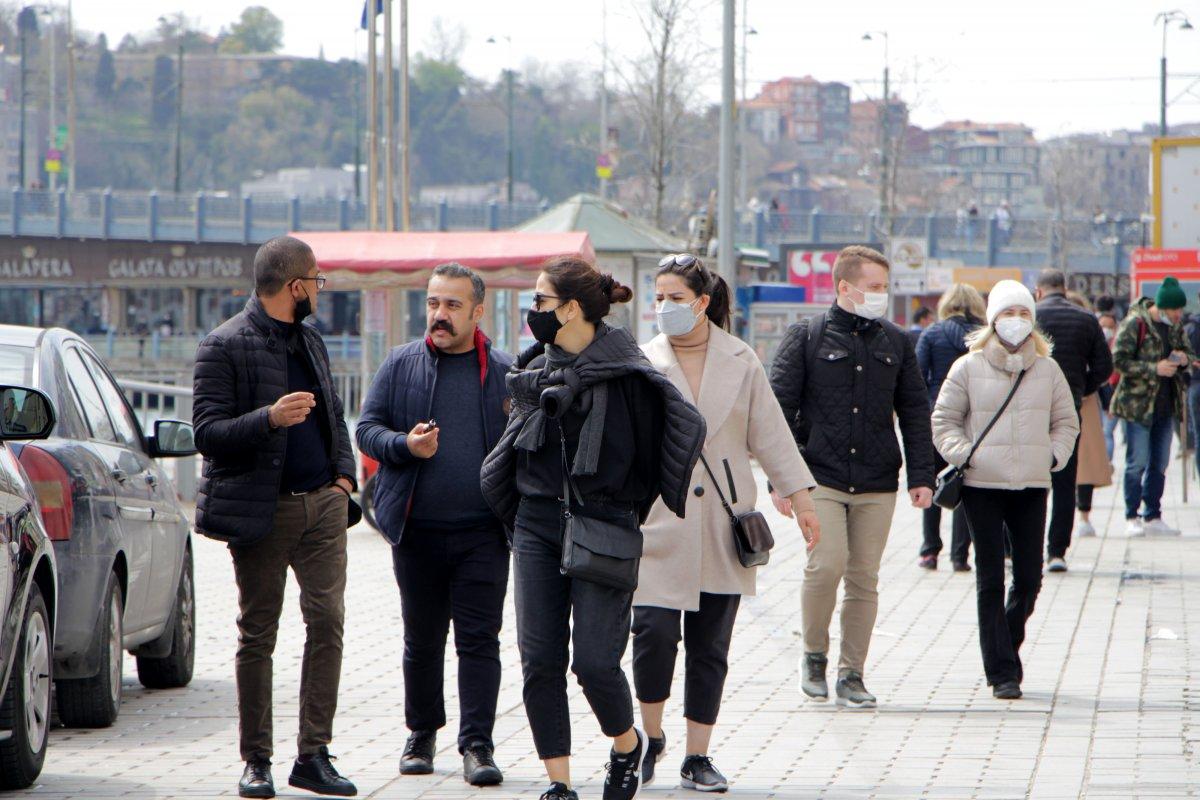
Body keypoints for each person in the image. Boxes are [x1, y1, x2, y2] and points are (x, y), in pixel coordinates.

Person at [480, 257, 706, 800]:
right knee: (539, 660)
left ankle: (627, 744)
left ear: (572, 309)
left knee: (595, 662)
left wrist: (624, 510)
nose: (533, 312)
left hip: (605, 522)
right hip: (536, 522)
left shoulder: (629, 375)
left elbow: (663, 449)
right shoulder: (535, 368)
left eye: (540, 301)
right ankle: (558, 783)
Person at [634, 255, 821, 792]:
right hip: (660, 519)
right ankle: (649, 738)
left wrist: (801, 499)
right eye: (658, 297)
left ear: (703, 302)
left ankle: (698, 755)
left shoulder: (742, 361)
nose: (664, 307)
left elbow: (772, 435)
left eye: (674, 297)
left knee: (710, 645)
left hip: (724, 521)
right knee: (651, 634)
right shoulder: (643, 362)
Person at [192, 235, 358, 799]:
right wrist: (268, 417)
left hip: (323, 507)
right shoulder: (223, 346)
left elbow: (334, 414)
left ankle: (313, 755)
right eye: (316, 280)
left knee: (327, 624)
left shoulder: (312, 341)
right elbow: (206, 434)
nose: (320, 289)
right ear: (294, 286)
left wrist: (343, 480)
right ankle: (256, 759)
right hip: (263, 513)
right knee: (258, 633)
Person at [355, 264, 513, 786]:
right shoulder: (401, 365)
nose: (439, 316)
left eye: (451, 306)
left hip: (484, 533)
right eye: (432, 304)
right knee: (421, 640)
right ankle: (421, 733)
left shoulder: (507, 374)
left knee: (478, 641)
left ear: (477, 311)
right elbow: (368, 430)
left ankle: (478, 745)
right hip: (416, 530)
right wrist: (404, 445)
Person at [770, 245, 935, 709]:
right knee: (826, 566)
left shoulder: (897, 342)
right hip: (818, 476)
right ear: (845, 287)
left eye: (886, 287)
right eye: (875, 288)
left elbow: (916, 411)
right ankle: (814, 655)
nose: (882, 296)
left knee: (864, 577)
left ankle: (852, 674)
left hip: (878, 478)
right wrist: (780, 480)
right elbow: (778, 410)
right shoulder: (806, 336)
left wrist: (922, 474)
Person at [931, 280, 1078, 700]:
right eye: (1008, 313)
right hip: (982, 486)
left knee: (1030, 578)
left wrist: (1053, 456)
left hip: (1032, 484)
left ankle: (1004, 645)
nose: (1016, 321)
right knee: (990, 578)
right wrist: (965, 456)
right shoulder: (967, 366)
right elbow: (944, 421)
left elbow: (1066, 422)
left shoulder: (1048, 370)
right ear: (993, 319)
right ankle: (1001, 673)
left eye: (1024, 314)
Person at [1033, 269, 1112, 572]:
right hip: (1068, 410)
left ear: (1039, 291)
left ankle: (1017, 548)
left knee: (1027, 480)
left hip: (1032, 410)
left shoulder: (1031, 317)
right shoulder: (1086, 319)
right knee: (1065, 481)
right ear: (1064, 289)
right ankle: (1057, 552)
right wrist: (1081, 387)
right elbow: (1105, 367)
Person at [1110, 277, 1197, 536]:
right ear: (1161, 307)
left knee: (1159, 462)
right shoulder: (1135, 324)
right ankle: (1131, 515)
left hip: (1165, 404)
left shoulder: (1175, 327)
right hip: (1138, 406)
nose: (1178, 315)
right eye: (1174, 310)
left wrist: (1183, 359)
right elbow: (1118, 360)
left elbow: (1189, 353)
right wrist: (1153, 368)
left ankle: (1153, 514)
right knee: (1137, 461)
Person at [915, 283, 987, 571]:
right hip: (974, 418)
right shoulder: (984, 337)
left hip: (938, 417)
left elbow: (917, 377)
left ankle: (930, 551)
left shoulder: (932, 333)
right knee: (964, 483)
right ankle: (960, 556)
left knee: (932, 483)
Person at [1098, 312, 1120, 460]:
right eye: (1102, 326)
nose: (1105, 330)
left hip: (1112, 395)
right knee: (1102, 432)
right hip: (1097, 396)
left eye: (1109, 327)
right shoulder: (1095, 346)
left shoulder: (1118, 345)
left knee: (1106, 431)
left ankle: (1108, 463)